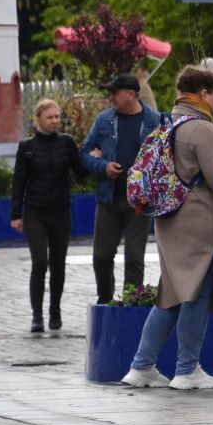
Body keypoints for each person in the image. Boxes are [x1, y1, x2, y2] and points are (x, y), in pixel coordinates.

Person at [122, 64, 213, 391]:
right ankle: (187, 370)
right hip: (201, 222)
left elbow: (189, 170)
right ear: (202, 93)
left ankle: (141, 366)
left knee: (171, 294)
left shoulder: (169, 122)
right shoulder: (203, 128)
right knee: (197, 292)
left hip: (172, 222)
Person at [81, 72, 161, 304]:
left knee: (135, 256)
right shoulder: (104, 120)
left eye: (115, 93)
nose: (111, 98)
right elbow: (85, 153)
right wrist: (103, 166)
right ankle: (105, 301)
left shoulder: (154, 121)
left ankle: (131, 303)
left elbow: (165, 158)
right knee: (102, 256)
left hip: (141, 202)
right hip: (109, 198)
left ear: (131, 94)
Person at [10, 97, 87, 334]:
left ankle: (55, 310)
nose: (54, 121)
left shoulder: (67, 143)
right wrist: (16, 214)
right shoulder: (27, 147)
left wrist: (91, 156)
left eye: (57, 116)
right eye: (49, 117)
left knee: (58, 264)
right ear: (38, 119)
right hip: (35, 211)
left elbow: (80, 173)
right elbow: (18, 181)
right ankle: (37, 315)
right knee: (40, 263)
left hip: (61, 211)